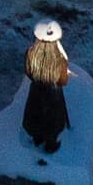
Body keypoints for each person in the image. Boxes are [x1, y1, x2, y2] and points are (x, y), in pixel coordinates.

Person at [21, 20, 72, 151]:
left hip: (36, 90)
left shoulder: (30, 52)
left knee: (35, 113)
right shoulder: (59, 57)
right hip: (53, 93)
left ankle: (37, 138)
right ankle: (50, 145)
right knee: (53, 118)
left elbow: (28, 72)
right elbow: (63, 80)